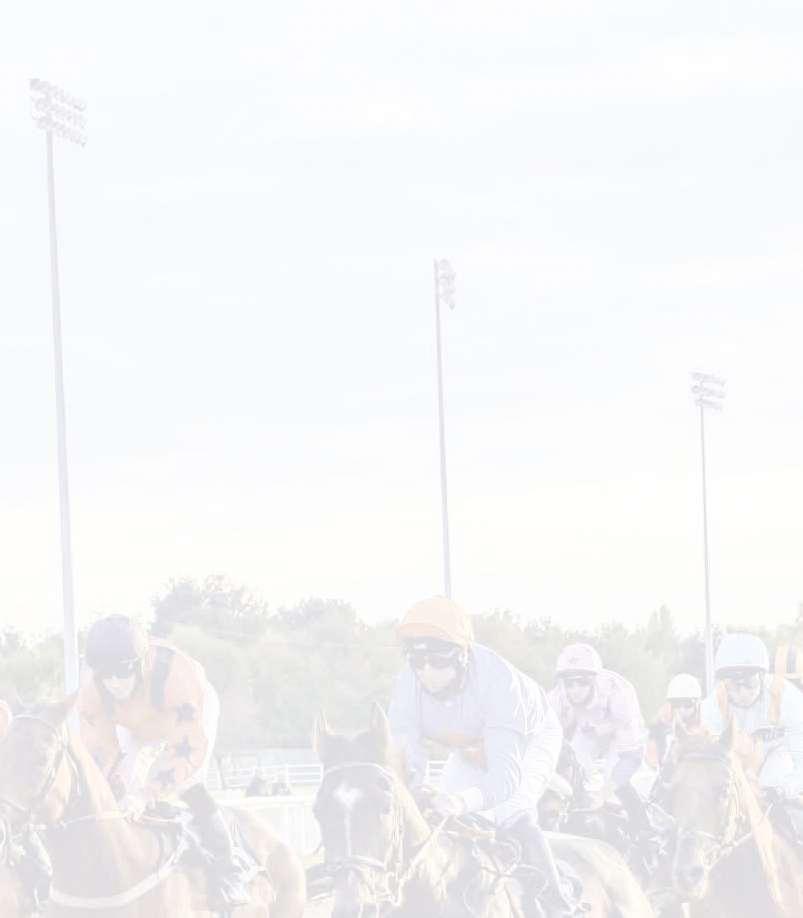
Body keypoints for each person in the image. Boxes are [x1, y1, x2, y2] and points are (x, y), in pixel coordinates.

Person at [388, 597, 575, 916]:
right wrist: (416, 790)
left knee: (512, 811)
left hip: (528, 740)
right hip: (470, 745)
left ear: (461, 656)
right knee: (439, 817)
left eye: (438, 661)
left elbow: (504, 779)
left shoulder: (499, 683)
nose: (426, 672)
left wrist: (460, 801)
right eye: (418, 661)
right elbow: (407, 759)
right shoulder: (406, 684)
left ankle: (558, 905)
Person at [77, 615, 251, 907]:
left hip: (184, 715)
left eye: (121, 673)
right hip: (134, 721)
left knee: (187, 784)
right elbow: (99, 751)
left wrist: (147, 793)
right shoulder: (93, 691)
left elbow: (187, 749)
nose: (114, 683)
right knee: (118, 789)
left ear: (139, 664)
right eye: (106, 675)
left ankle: (229, 871)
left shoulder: (179, 676)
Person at [700, 633, 803, 831]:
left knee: (770, 784)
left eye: (749, 682)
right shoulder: (711, 708)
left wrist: (783, 789)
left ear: (762, 676)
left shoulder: (789, 698)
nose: (742, 692)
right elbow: (709, 762)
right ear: (723, 682)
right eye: (733, 684)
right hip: (739, 760)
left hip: (780, 754)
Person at [548, 643, 649, 833]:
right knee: (575, 763)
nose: (575, 690)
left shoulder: (621, 695)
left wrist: (607, 791)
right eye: (569, 684)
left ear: (594, 680)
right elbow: (545, 737)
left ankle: (644, 830)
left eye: (582, 683)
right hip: (588, 731)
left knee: (614, 783)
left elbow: (632, 756)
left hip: (622, 735)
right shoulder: (557, 696)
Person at [646, 673, 704, 770]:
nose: (682, 709)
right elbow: (652, 758)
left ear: (697, 704)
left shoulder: (705, 725)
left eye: (688, 704)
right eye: (676, 704)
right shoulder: (659, 727)